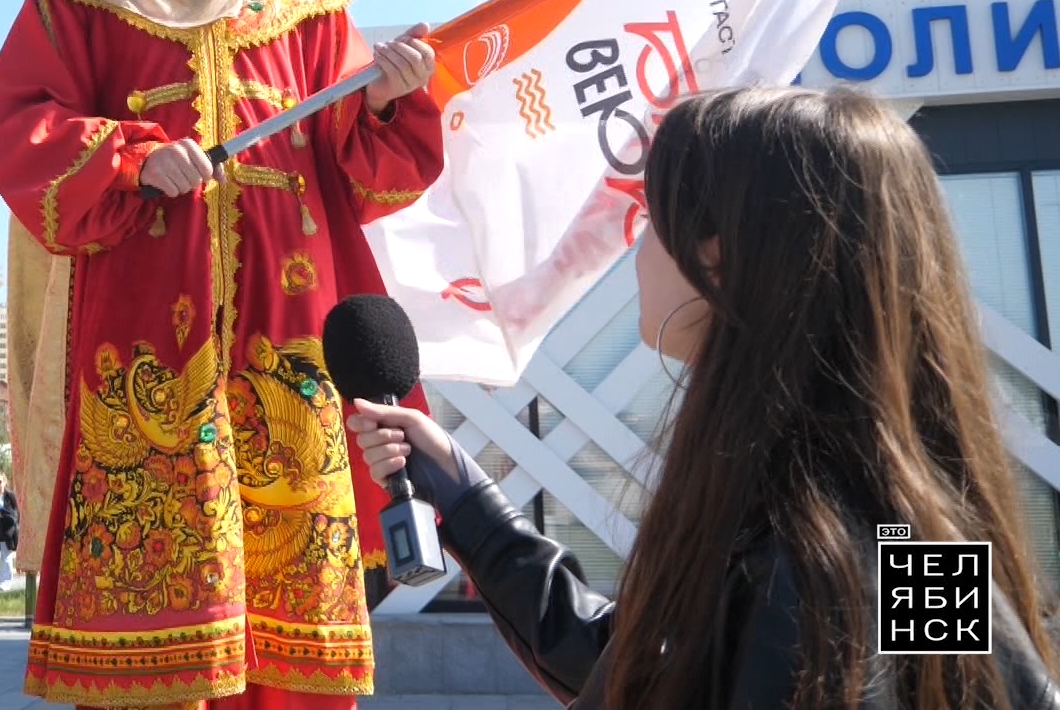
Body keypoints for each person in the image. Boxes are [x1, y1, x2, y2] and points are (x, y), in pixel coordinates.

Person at [0, 0, 446, 708]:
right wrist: (129, 159)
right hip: (141, 360)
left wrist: (391, 100)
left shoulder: (311, 2)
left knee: (295, 652)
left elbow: (370, 180)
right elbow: (17, 128)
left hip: (293, 349)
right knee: (158, 640)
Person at [349, 86, 1060, 709]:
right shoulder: (908, 532)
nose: (640, 245)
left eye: (654, 218)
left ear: (721, 255)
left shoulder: (811, 563)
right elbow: (639, 669)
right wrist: (470, 502)